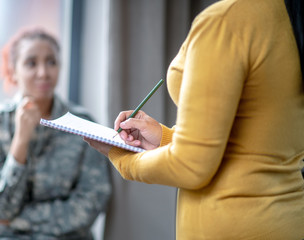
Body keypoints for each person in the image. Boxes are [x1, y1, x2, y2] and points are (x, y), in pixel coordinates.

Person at [85, 0, 304, 239]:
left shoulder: (226, 21)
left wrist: (122, 157)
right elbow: (254, 140)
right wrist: (167, 137)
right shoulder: (288, 16)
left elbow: (190, 166)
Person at [0, 27, 112, 240]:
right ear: (13, 70)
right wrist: (21, 141)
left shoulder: (84, 125)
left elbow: (89, 205)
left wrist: (17, 221)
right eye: (31, 63)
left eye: (51, 62)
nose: (43, 72)